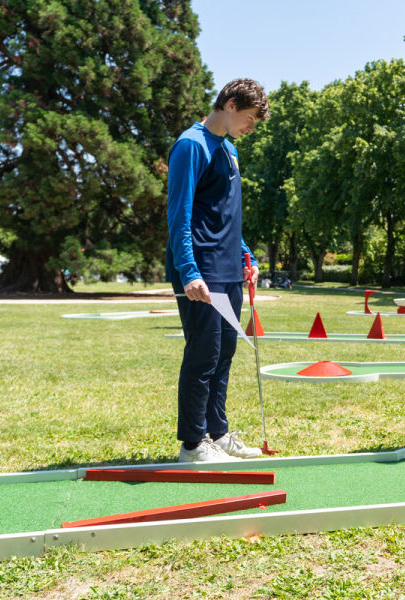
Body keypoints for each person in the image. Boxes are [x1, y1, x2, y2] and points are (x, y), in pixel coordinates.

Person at [166, 79, 270, 463]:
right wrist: (189, 270)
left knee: (224, 351)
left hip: (228, 267)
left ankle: (217, 433)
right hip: (201, 269)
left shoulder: (228, 149)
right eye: (249, 119)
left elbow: (225, 215)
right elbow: (180, 214)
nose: (250, 128)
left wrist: (248, 257)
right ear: (229, 104)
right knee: (203, 353)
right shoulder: (191, 145)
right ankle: (193, 445)